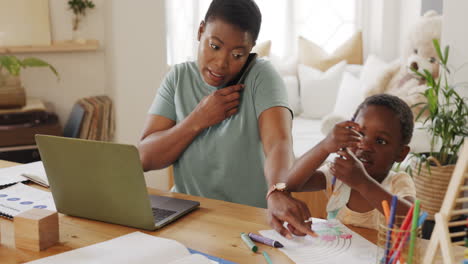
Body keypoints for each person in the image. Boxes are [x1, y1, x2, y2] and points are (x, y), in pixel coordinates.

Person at [138, 0, 312, 229]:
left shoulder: (262, 76)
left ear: (250, 49)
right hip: (186, 218)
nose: (221, 63)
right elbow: (144, 158)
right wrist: (197, 119)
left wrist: (277, 190)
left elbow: (279, 142)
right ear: (201, 31)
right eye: (215, 46)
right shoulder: (178, 78)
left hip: (247, 220)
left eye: (237, 55)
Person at [268, 94, 416, 237]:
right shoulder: (338, 175)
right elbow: (289, 183)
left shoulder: (398, 182)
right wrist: (324, 146)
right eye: (360, 134)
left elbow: (412, 222)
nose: (365, 145)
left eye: (380, 141)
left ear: (401, 153)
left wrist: (363, 182)